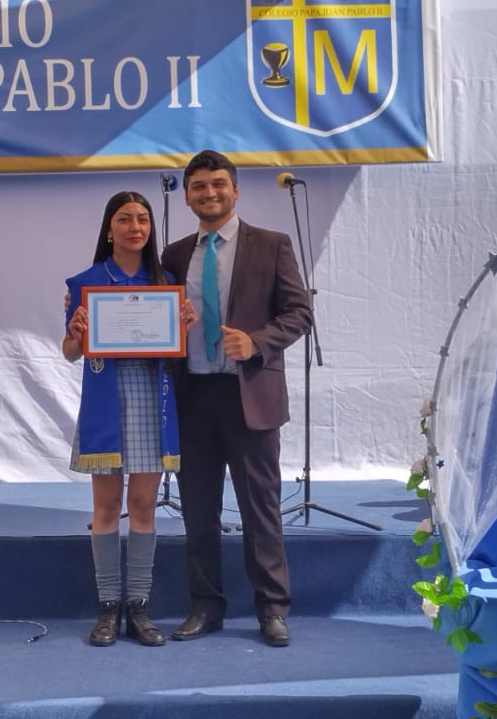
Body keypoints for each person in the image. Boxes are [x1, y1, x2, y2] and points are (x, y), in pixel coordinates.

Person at [160, 150, 312, 647]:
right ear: (187, 197)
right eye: (199, 186)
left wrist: (256, 342)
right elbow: (154, 318)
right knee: (198, 512)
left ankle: (272, 608)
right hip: (192, 397)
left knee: (260, 508)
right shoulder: (173, 256)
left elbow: (299, 313)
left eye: (218, 184)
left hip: (250, 395)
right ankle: (205, 607)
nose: (209, 193)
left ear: (235, 190)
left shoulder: (272, 245)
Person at [63, 191, 196, 647]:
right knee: (105, 508)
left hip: (152, 400)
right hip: (106, 402)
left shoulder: (167, 282)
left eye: (142, 219)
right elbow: (70, 352)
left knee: (141, 505)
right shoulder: (85, 282)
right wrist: (77, 332)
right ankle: (108, 607)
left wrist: (183, 328)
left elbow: (177, 352)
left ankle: (138, 605)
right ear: (109, 229)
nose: (135, 227)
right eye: (124, 219)